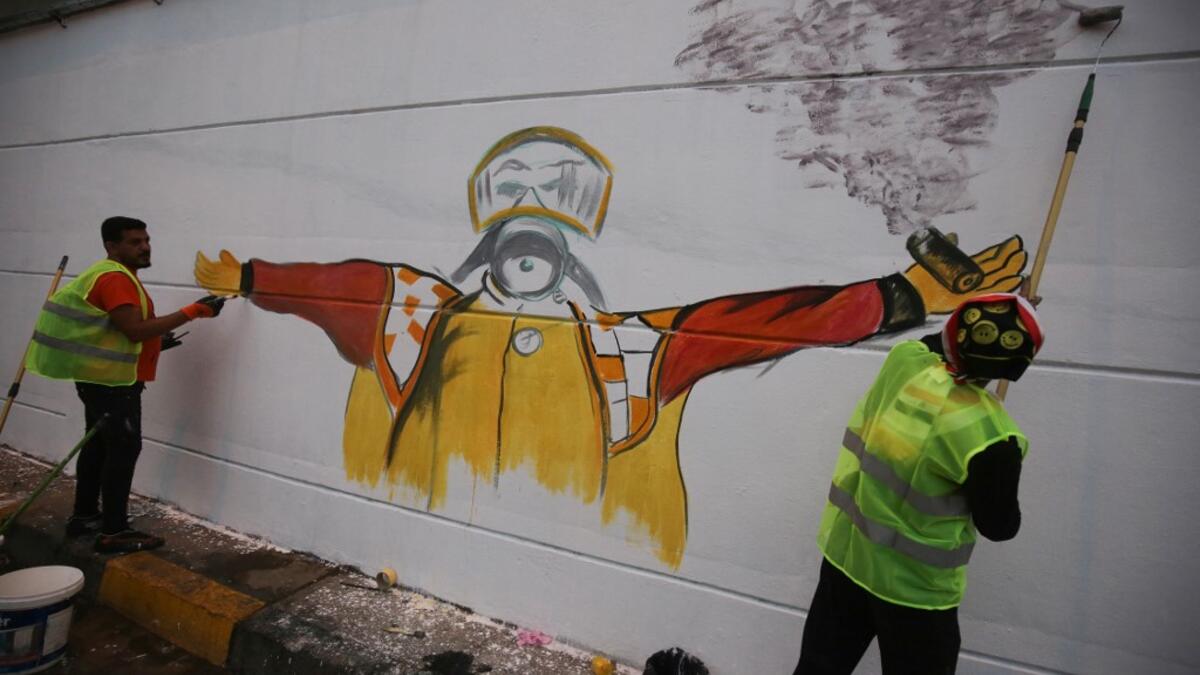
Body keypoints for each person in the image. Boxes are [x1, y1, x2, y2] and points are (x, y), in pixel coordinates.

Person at [194, 127, 1029, 568]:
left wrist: (905, 295)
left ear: (575, 255)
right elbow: (347, 284)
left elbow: (763, 318)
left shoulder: (630, 352)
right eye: (513, 216)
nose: (529, 242)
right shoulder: (414, 314)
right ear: (486, 243)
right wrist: (255, 275)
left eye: (552, 222)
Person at [794, 293, 1045, 675]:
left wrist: (1009, 309)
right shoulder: (991, 438)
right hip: (916, 597)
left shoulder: (904, 363)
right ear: (1015, 366)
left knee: (818, 668)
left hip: (849, 563)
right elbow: (1000, 526)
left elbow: (934, 343)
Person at [25, 216, 225, 553]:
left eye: (146, 240)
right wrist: (193, 311)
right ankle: (114, 532)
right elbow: (133, 330)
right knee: (123, 449)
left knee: (98, 447)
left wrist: (155, 342)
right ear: (111, 246)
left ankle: (86, 516)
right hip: (112, 385)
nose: (145, 247)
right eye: (134, 242)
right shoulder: (115, 279)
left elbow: (116, 331)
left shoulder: (109, 275)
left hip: (99, 379)